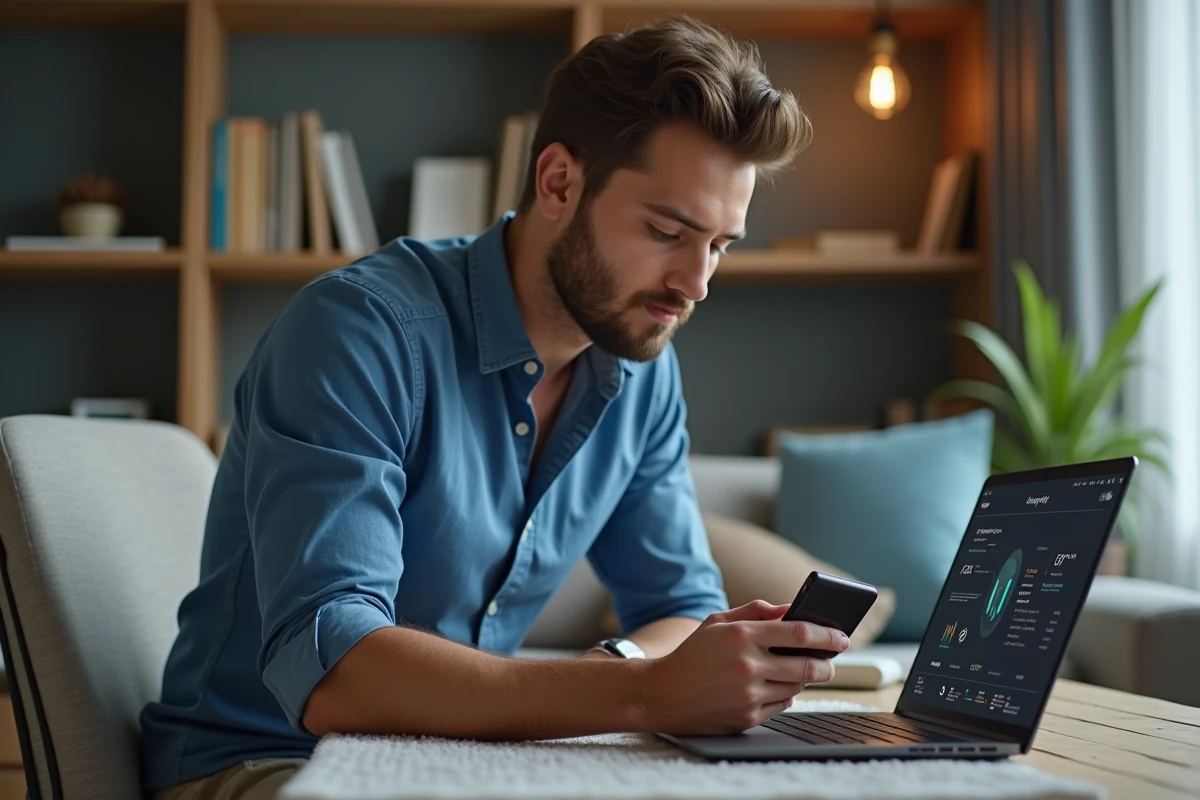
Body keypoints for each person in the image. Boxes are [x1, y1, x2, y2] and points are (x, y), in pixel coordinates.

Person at [141, 14, 845, 800]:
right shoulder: (358, 334)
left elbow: (681, 608)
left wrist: (626, 672)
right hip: (266, 760)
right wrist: (642, 693)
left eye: (719, 245)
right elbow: (337, 668)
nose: (696, 283)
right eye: (667, 231)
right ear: (558, 183)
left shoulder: (641, 372)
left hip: (467, 757)